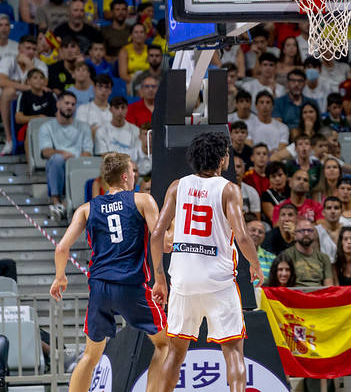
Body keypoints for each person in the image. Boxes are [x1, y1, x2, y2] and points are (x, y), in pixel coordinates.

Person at [150, 132, 264, 392]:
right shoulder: (228, 189)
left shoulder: (177, 186)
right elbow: (244, 238)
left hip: (182, 281)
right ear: (223, 158)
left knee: (175, 356)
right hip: (218, 281)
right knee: (233, 352)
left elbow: (157, 234)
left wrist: (160, 279)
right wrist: (255, 265)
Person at [49, 153, 167, 392]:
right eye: (133, 171)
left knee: (91, 356)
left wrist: (60, 276)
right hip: (131, 284)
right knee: (167, 346)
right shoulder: (142, 200)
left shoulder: (86, 208)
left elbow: (61, 248)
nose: (135, 175)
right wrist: (160, 277)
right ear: (125, 176)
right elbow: (160, 240)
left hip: (100, 286)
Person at [40, 91, 93, 219]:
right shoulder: (46, 127)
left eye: (73, 104)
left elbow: (87, 151)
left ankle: (63, 205)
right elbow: (45, 152)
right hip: (58, 163)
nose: (70, 107)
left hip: (78, 163)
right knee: (56, 159)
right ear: (58, 104)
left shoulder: (84, 126)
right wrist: (62, 153)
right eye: (66, 103)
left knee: (88, 163)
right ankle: (56, 201)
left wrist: (74, 161)